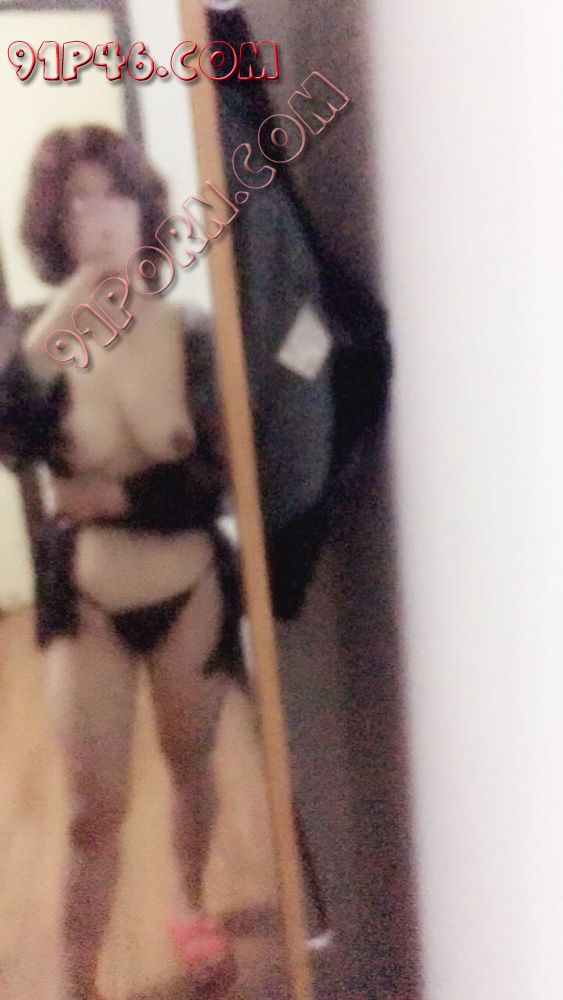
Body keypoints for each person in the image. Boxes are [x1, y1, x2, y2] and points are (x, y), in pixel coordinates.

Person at [0, 124, 245, 1000]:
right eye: (76, 204)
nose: (97, 218)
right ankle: (77, 982)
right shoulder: (42, 341)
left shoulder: (189, 332)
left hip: (189, 588)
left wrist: (116, 497)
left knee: (191, 767)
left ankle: (190, 904)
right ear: (54, 226)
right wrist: (56, 324)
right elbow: (11, 440)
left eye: (113, 197)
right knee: (88, 812)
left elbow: (217, 477)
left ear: (144, 211)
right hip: (90, 599)